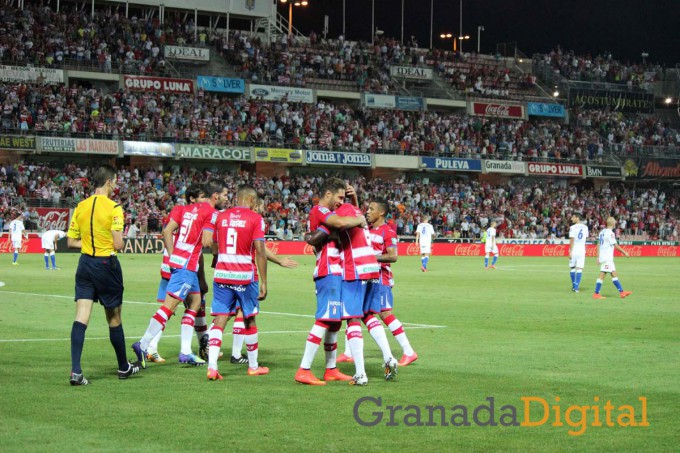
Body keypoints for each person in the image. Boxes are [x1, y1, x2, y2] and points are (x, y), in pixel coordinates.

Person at [133, 179, 228, 368]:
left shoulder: (184, 209)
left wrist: (173, 255)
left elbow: (167, 231)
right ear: (215, 196)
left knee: (194, 302)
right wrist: (220, 249)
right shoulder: (212, 213)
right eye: (225, 195)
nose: (226, 198)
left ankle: (185, 352)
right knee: (168, 307)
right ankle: (142, 344)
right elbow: (208, 242)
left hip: (182, 263)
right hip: (186, 265)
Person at [66, 165, 141, 385]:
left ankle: (76, 372)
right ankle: (123, 367)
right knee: (114, 317)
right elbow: (118, 243)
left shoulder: (80, 206)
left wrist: (91, 243)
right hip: (106, 264)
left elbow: (71, 242)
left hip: (85, 263)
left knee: (81, 316)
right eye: (115, 181)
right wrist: (108, 243)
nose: (116, 185)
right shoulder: (114, 207)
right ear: (109, 182)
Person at [294, 177, 367, 386]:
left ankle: (331, 369)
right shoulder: (320, 210)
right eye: (340, 197)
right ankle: (304, 369)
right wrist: (359, 219)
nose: (341, 202)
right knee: (325, 319)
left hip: (338, 269)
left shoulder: (331, 212)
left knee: (334, 323)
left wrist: (354, 203)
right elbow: (342, 221)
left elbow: (345, 218)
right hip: (328, 269)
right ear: (328, 195)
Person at [337, 197, 417, 369]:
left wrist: (370, 258)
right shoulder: (368, 229)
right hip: (365, 277)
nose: (368, 211)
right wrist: (354, 199)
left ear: (381, 212)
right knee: (355, 311)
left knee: (385, 314)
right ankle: (348, 352)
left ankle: (409, 351)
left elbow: (393, 256)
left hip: (381, 278)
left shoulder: (387, 232)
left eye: (372, 208)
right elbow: (355, 215)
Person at [223, 199, 298, 365]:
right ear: (254, 205)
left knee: (233, 312)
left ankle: (230, 352)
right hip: (242, 273)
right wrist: (272, 270)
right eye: (262, 206)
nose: (264, 210)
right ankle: (212, 344)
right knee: (238, 313)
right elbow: (260, 250)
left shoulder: (232, 218)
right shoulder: (253, 220)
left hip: (226, 270)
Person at [206, 185, 269, 380]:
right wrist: (264, 282)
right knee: (249, 318)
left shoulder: (220, 216)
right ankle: (253, 366)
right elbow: (260, 250)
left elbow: (209, 243)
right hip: (244, 276)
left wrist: (220, 253)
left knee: (220, 320)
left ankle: (213, 367)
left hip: (222, 274)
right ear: (251, 200)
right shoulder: (255, 218)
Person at [146, 185, 206, 363]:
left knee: (189, 305)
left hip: (175, 266)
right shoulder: (188, 215)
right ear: (192, 199)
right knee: (179, 307)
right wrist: (174, 259)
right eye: (202, 196)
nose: (205, 200)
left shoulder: (181, 214)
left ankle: (155, 347)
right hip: (178, 267)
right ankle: (147, 346)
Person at [593, 217, 632, 300]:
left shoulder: (602, 232)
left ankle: (622, 292)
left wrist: (598, 256)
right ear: (613, 223)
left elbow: (598, 244)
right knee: (602, 274)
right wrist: (624, 252)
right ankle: (596, 293)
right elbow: (615, 245)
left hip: (605, 257)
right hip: (607, 257)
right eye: (615, 222)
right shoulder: (610, 233)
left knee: (612, 273)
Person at [568, 213, 589, 292]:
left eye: (573, 217)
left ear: (577, 218)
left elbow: (572, 240)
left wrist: (570, 252)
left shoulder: (572, 227)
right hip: (582, 250)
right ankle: (576, 288)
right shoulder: (586, 227)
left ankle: (574, 286)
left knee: (572, 267)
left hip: (574, 249)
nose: (571, 219)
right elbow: (585, 238)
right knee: (579, 269)